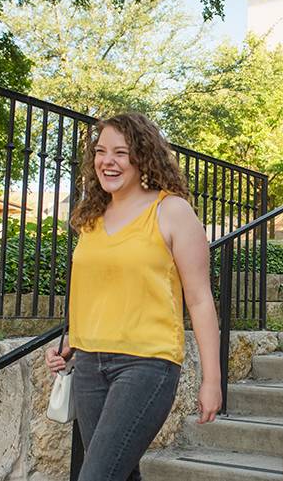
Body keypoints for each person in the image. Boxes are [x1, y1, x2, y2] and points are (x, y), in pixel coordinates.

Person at [44, 113, 222, 481]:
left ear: (142, 157)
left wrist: (212, 379)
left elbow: (201, 300)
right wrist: (70, 345)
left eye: (121, 153)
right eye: (100, 152)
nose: (108, 161)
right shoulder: (90, 218)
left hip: (147, 364)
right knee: (120, 474)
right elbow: (96, 291)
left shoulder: (171, 210)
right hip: (89, 365)